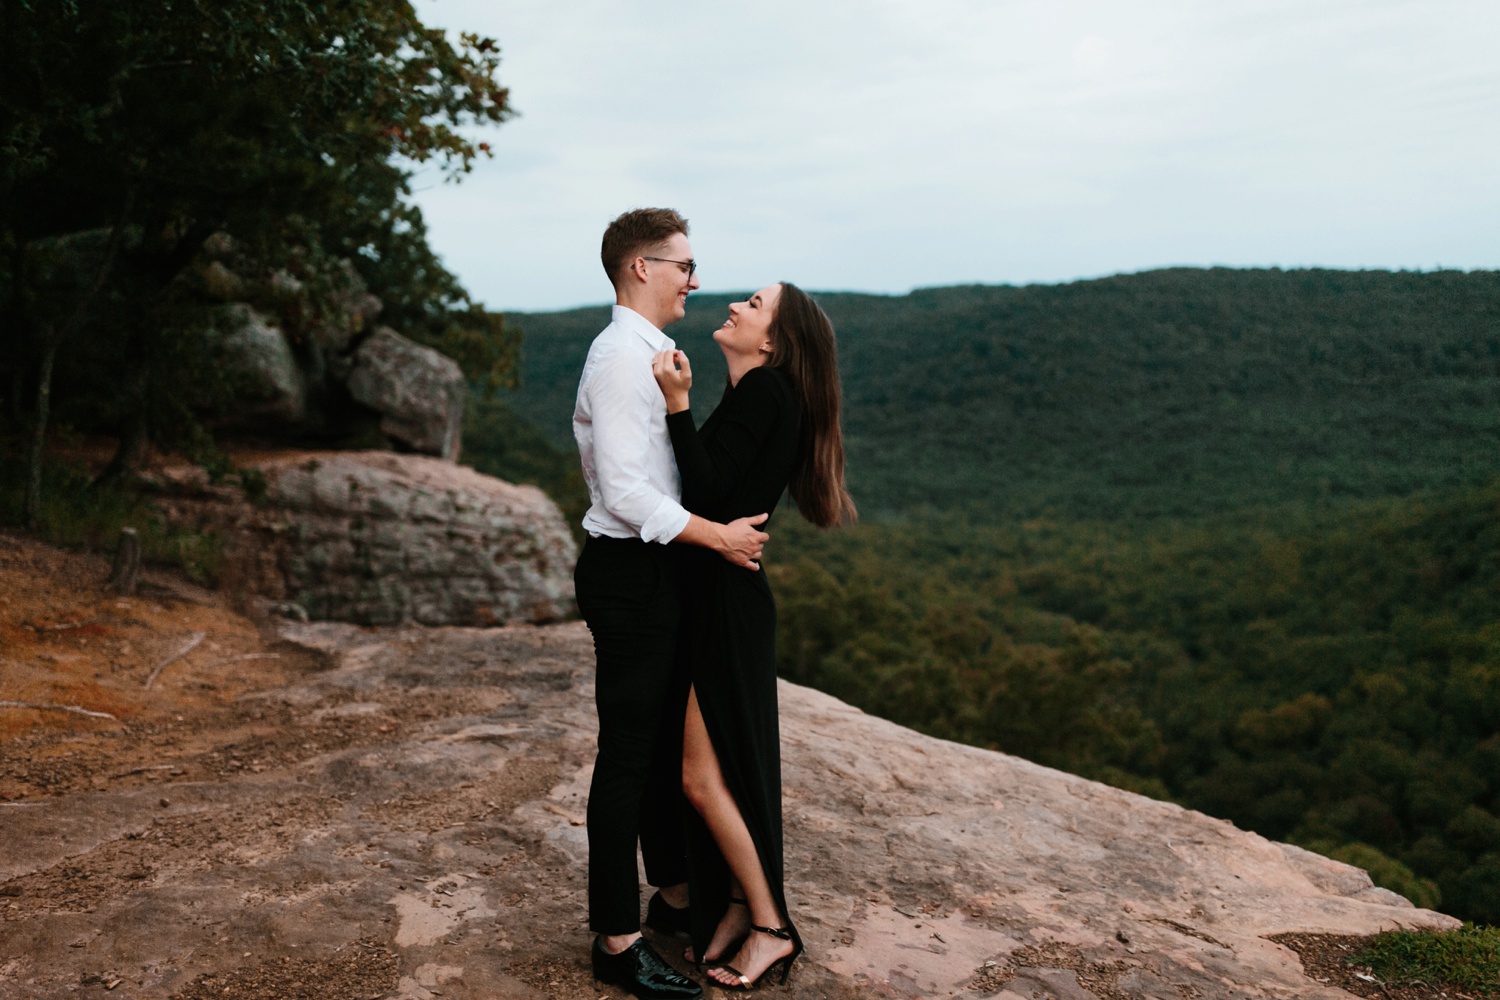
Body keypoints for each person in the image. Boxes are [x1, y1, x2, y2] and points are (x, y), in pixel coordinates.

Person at [574, 208, 773, 1000]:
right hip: (630, 571)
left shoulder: (653, 354)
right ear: (637, 269)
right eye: (682, 265)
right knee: (627, 755)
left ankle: (676, 896)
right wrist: (718, 538)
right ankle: (616, 939)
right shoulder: (622, 357)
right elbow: (624, 493)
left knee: (656, 746)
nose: (695, 280)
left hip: (653, 570)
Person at [651, 281, 856, 990]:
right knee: (720, 772)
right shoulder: (760, 396)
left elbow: (702, 491)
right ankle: (738, 906)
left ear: (772, 340)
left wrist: (676, 405)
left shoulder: (766, 394)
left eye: (755, 304)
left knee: (702, 778)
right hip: (721, 596)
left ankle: (772, 927)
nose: (736, 305)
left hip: (723, 604)